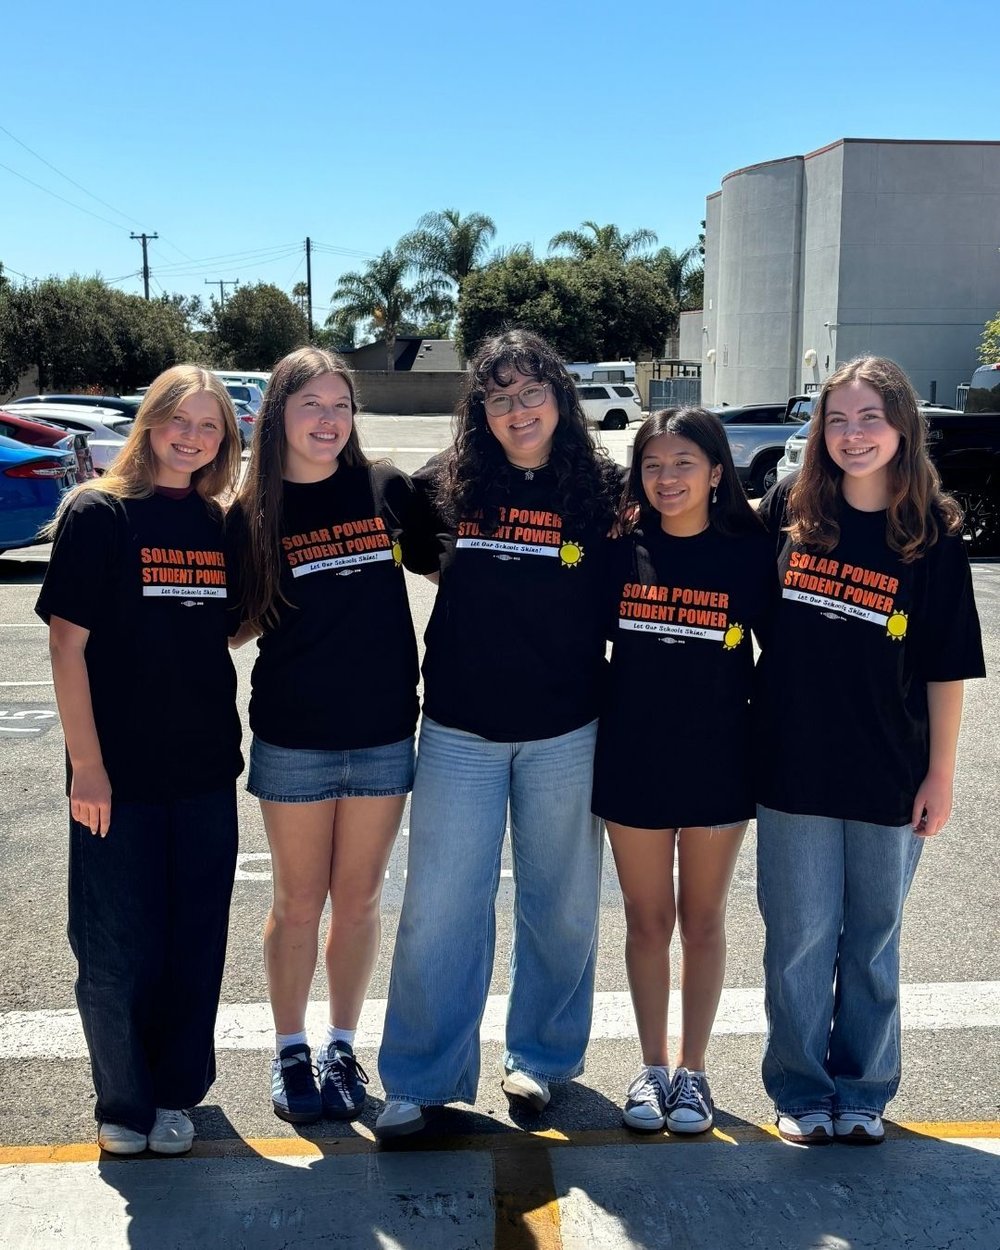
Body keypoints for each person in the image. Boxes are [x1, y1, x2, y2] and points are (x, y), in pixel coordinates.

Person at [374, 328, 621, 1140]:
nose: (519, 408)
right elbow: (409, 542)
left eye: (532, 390)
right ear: (481, 408)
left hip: (566, 727)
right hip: (459, 726)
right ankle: (421, 1075)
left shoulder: (603, 490)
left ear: (560, 396)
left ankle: (542, 1061)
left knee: (562, 904)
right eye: (501, 395)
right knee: (441, 906)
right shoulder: (442, 487)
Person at [754, 356, 985, 1146]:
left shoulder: (931, 534)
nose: (853, 435)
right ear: (819, 431)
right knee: (798, 941)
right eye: (838, 420)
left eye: (870, 419)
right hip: (792, 765)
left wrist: (941, 774)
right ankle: (799, 1086)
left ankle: (864, 1088)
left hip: (889, 770)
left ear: (902, 430)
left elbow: (948, 666)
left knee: (874, 939)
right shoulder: (789, 509)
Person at [36, 366, 244, 1156]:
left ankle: (175, 1092)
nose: (191, 438)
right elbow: (66, 643)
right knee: (115, 943)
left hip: (202, 771)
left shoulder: (219, 524)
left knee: (194, 939)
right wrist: (87, 768)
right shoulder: (100, 513)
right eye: (177, 421)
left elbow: (222, 627)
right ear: (150, 422)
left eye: (209, 426)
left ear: (224, 439)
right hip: (113, 776)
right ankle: (123, 1101)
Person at [228, 347, 431, 1125]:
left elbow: (455, 558)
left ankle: (342, 1044)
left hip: (383, 732)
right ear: (278, 414)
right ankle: (290, 1049)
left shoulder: (384, 488)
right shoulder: (252, 513)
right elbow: (229, 623)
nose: (328, 419)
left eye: (340, 405)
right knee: (297, 902)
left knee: (359, 899)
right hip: (294, 737)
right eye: (311, 404)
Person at [592, 408, 773, 1134]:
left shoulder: (750, 554)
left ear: (717, 472)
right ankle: (654, 1065)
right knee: (647, 921)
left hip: (718, 764)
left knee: (701, 921)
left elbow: (790, 659)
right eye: (654, 465)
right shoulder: (617, 550)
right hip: (632, 760)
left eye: (685, 464)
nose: (668, 479)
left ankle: (694, 1073)